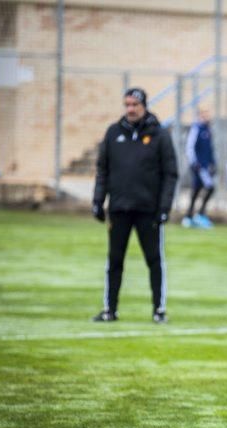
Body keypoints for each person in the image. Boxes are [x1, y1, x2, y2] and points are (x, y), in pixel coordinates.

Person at [91, 87, 178, 323]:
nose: (130, 109)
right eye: (127, 105)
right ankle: (110, 310)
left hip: (148, 211)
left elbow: (170, 174)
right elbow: (102, 170)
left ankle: (158, 310)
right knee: (115, 260)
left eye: (134, 105)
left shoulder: (159, 135)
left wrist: (164, 208)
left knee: (154, 261)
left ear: (144, 106)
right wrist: (98, 201)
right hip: (118, 209)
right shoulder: (113, 133)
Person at [183, 108, 216, 229]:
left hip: (206, 166)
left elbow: (210, 149)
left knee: (196, 190)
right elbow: (190, 147)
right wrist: (194, 163)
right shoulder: (196, 128)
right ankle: (199, 215)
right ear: (200, 115)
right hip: (200, 166)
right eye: (204, 114)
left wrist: (213, 163)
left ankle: (188, 216)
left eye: (208, 113)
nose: (207, 116)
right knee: (210, 187)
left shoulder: (208, 129)